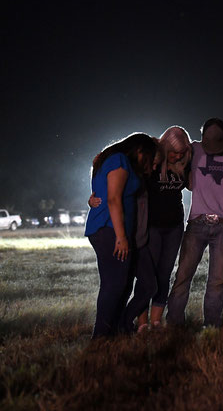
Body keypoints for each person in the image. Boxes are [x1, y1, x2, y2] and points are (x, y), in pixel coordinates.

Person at [166, 118, 223, 328]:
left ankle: (211, 324)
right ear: (201, 138)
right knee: (183, 275)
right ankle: (174, 323)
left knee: (217, 280)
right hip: (197, 223)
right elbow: (167, 152)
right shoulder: (193, 149)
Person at [84, 133, 157, 338]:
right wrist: (121, 237)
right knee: (113, 285)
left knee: (118, 284)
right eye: (149, 157)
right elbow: (114, 199)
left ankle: (113, 331)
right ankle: (101, 337)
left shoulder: (111, 160)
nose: (150, 164)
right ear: (139, 151)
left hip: (109, 230)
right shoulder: (119, 160)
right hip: (110, 230)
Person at [134, 126, 192, 331]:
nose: (177, 156)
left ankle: (156, 320)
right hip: (152, 226)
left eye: (181, 153)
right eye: (173, 152)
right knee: (147, 274)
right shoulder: (153, 159)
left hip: (174, 226)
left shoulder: (185, 163)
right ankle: (141, 322)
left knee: (164, 273)